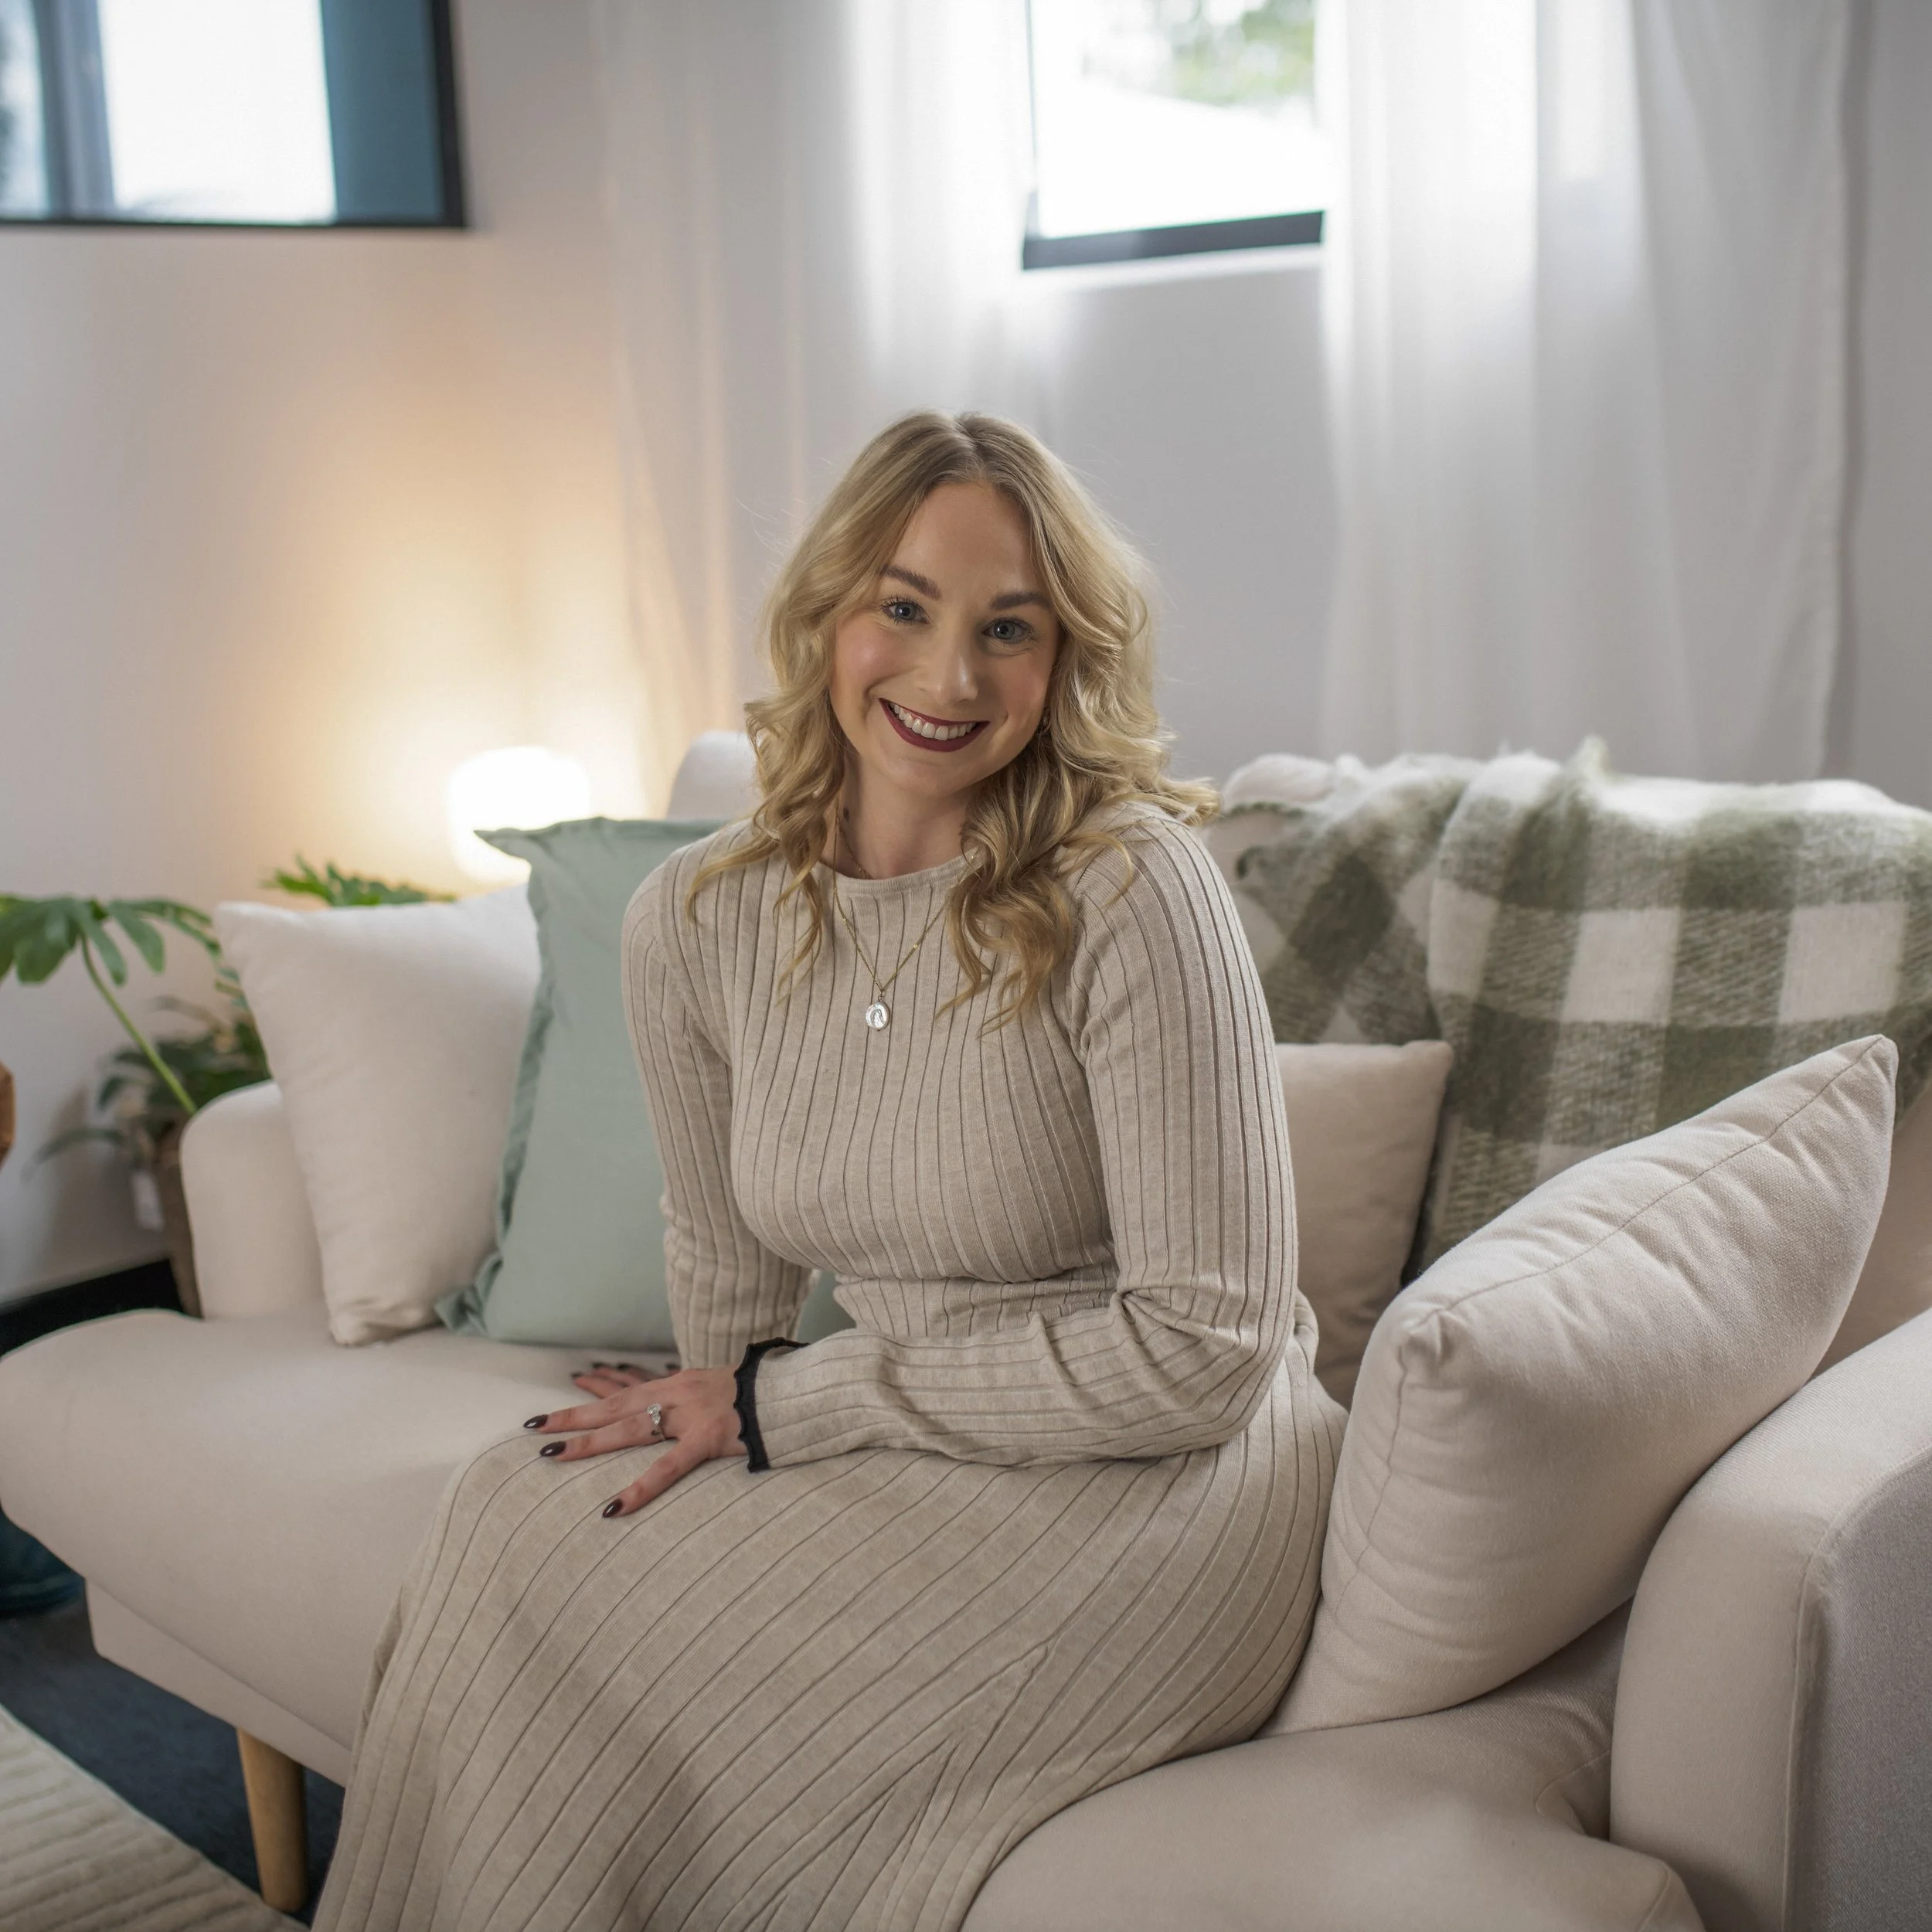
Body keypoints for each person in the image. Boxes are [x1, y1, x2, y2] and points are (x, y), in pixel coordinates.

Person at [316, 412, 1341, 1932]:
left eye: (1009, 628)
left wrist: (786, 1405)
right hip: (917, 1424)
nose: (947, 678)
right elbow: (725, 1258)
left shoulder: (1133, 888)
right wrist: (714, 1421)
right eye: (903, 607)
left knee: (592, 1603)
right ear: (824, 614)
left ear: (1064, 661)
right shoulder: (696, 918)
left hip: (1158, 1482)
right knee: (505, 1506)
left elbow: (1202, 1351)